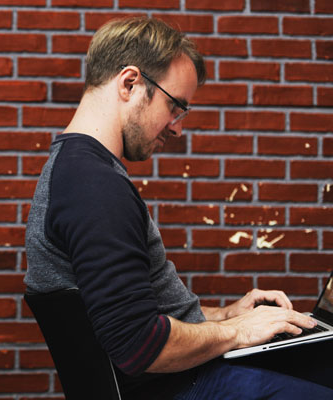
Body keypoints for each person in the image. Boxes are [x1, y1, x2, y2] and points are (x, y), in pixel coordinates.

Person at [24, 16, 332, 399]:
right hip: (173, 386)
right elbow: (140, 344)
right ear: (130, 83)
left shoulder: (76, 171)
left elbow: (134, 314)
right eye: (175, 106)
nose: (177, 127)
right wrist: (238, 332)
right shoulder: (93, 187)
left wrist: (226, 315)